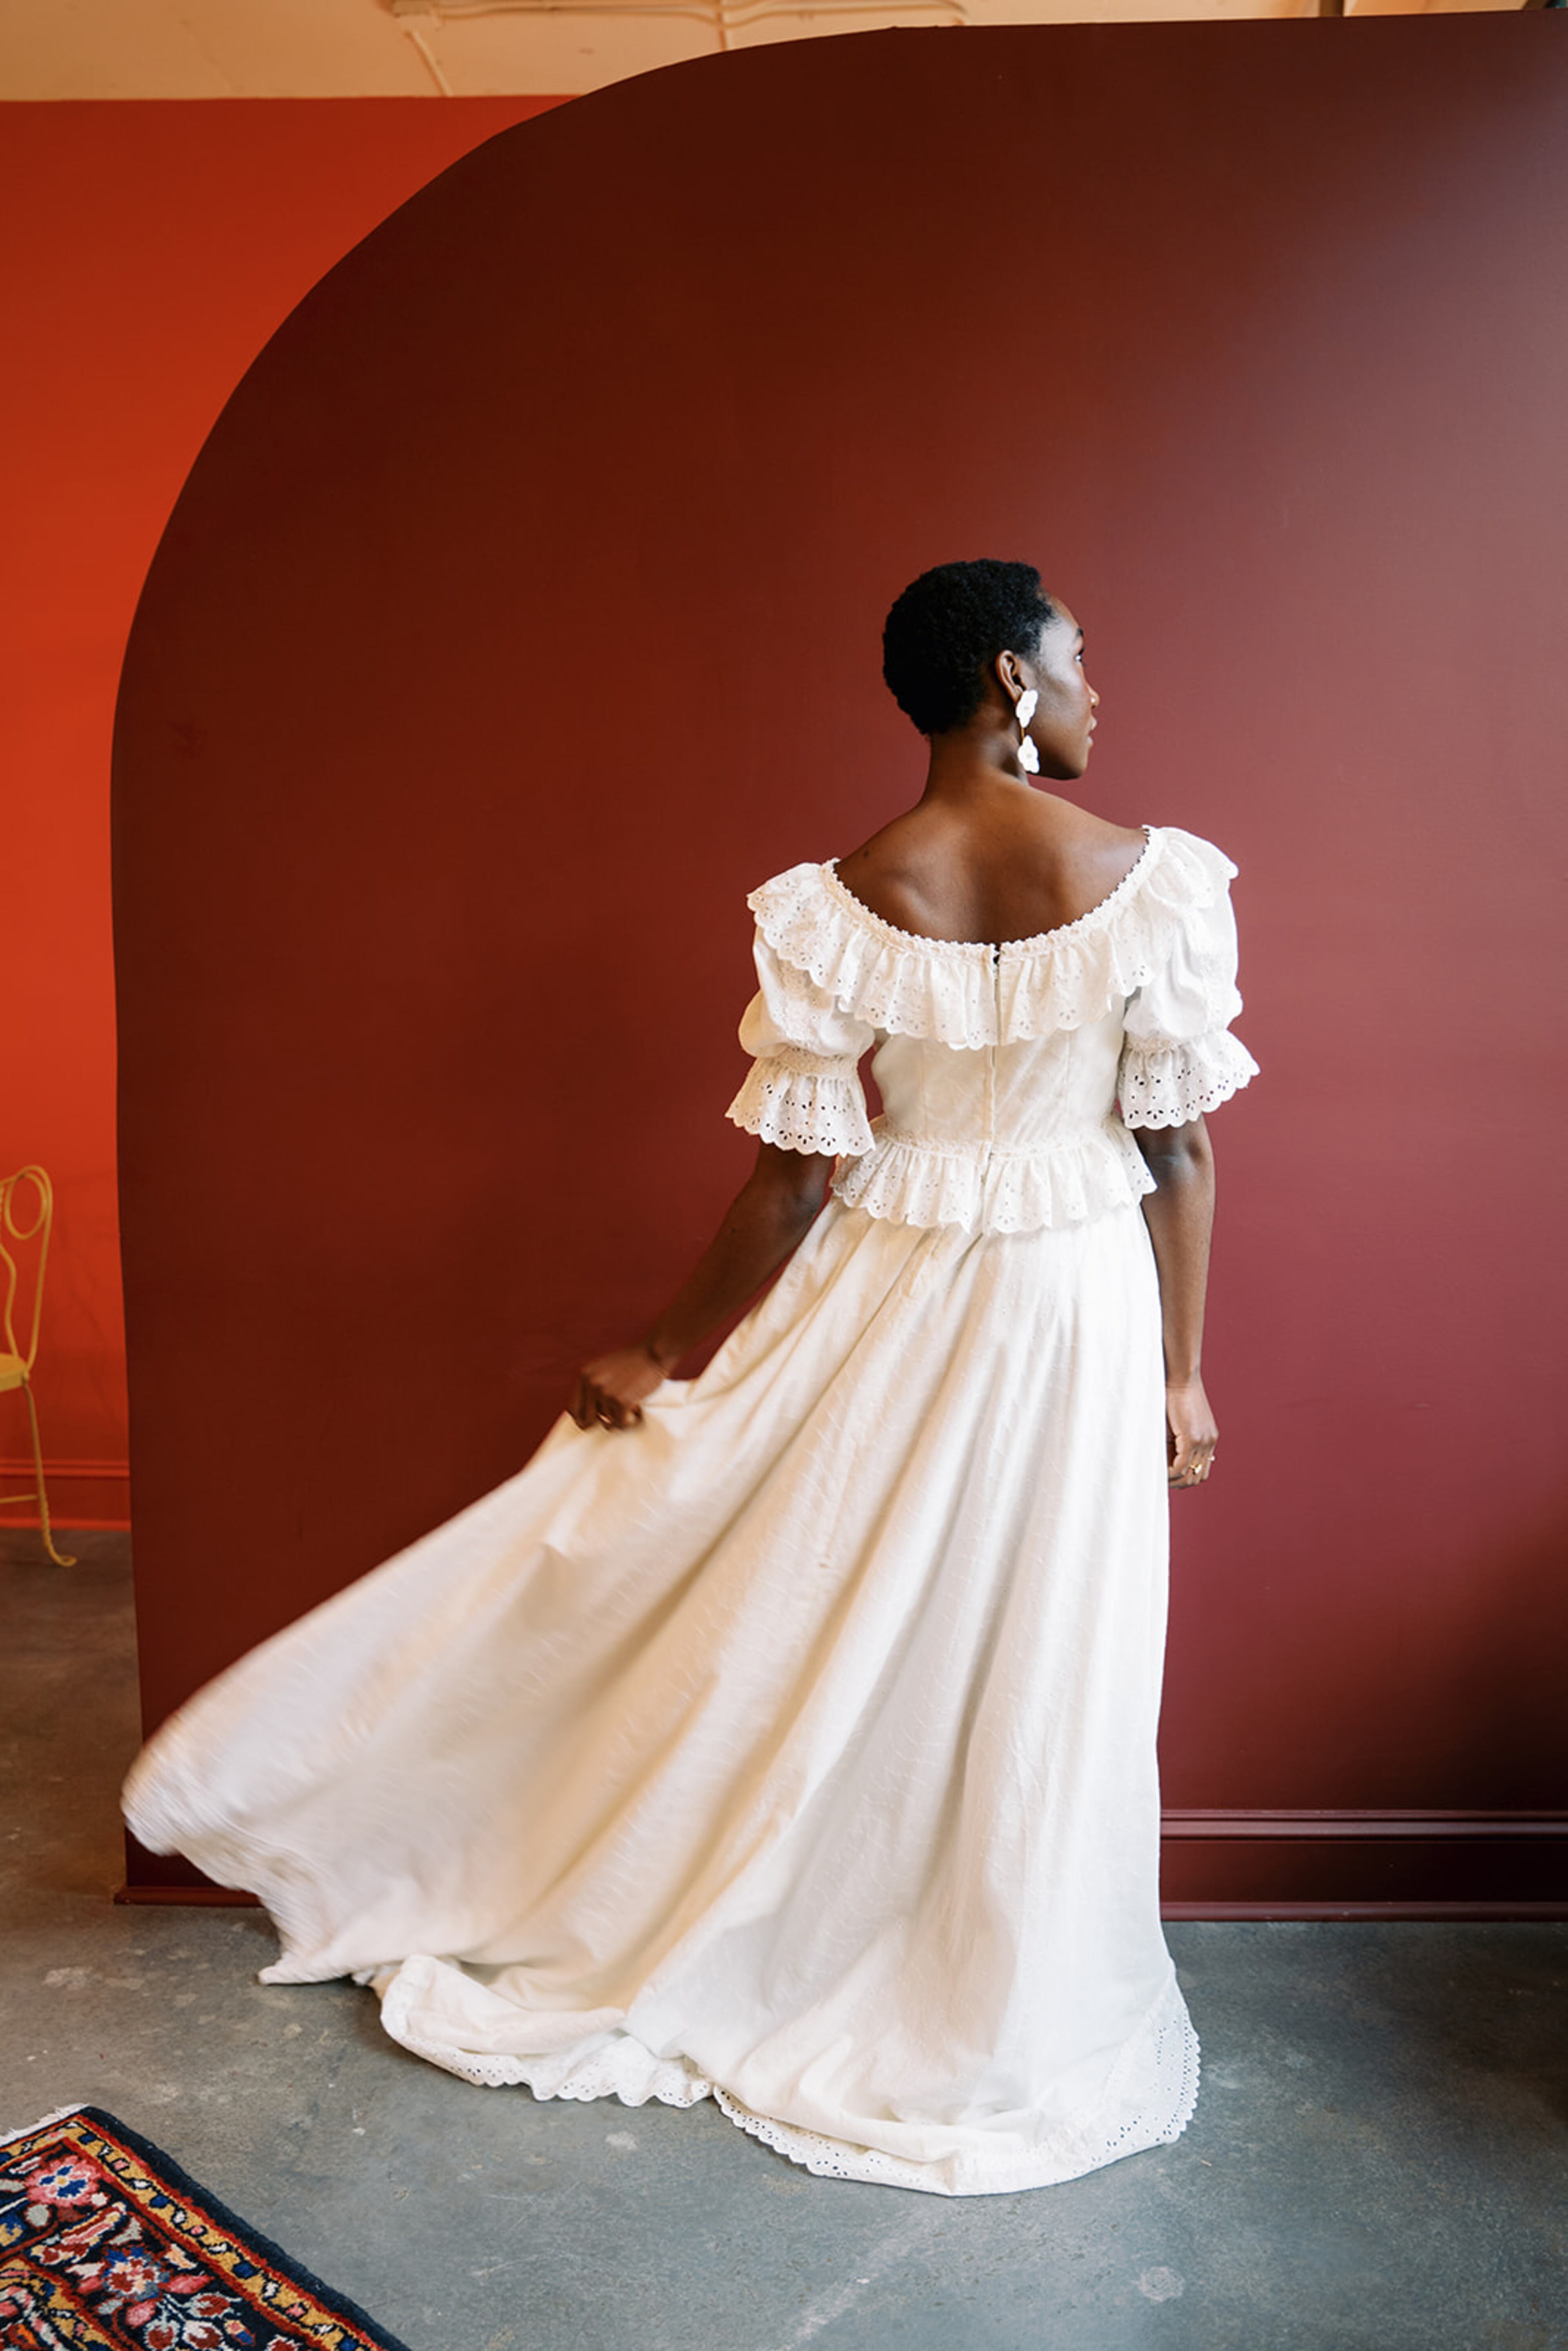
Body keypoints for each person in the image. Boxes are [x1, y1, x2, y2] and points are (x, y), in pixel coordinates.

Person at [125, 559, 1257, 2197]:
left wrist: (666, 1349)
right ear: (1013, 681)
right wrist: (1183, 1374)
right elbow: (1180, 1152)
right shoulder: (1156, 883)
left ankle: (807, 1924)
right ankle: (990, 1983)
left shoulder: (843, 902)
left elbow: (791, 1186)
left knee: (834, 1606)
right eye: (1082, 657)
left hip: (886, 1291)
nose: (1101, 688)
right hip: (1075, 1299)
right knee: (1043, 1637)